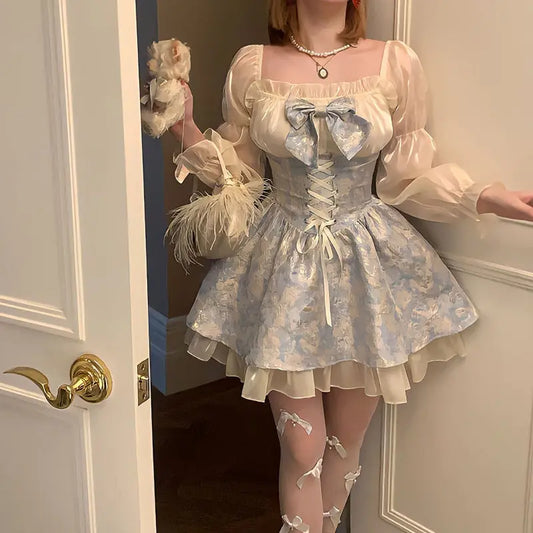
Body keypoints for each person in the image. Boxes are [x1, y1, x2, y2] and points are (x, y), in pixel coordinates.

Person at [169, 1, 533, 531]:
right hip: (282, 267)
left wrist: (483, 197)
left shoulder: (395, 64)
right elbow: (240, 176)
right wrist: (184, 128)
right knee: (303, 447)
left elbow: (406, 177)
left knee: (345, 443)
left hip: (366, 268)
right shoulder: (253, 65)